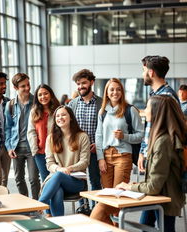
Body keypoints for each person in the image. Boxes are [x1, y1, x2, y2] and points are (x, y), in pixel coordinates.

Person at [116, 95, 186, 232]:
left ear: (156, 112)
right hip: (162, 193)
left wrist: (129, 186)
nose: (145, 110)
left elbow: (153, 186)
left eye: (147, 107)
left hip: (165, 195)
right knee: (149, 226)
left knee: (167, 231)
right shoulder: (163, 137)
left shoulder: (163, 141)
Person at [39, 106, 90, 216]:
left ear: (70, 117)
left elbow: (85, 161)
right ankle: (59, 223)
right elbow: (49, 163)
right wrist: (59, 169)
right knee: (57, 191)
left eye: (63, 115)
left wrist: (69, 169)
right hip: (56, 180)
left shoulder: (82, 136)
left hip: (76, 181)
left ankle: (40, 204)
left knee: (58, 176)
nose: (60, 118)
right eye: (57, 116)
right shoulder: (51, 138)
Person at [96, 78, 144, 190]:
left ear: (122, 92)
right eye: (111, 89)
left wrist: (124, 136)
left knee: (118, 194)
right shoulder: (102, 112)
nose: (115, 92)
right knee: (107, 195)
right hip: (106, 156)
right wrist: (100, 158)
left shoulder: (130, 110)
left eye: (118, 89)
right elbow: (98, 136)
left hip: (123, 156)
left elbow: (141, 135)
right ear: (107, 93)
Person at [137, 56, 180, 173]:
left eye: (144, 70)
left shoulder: (166, 97)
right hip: (152, 153)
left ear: (151, 73)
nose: (142, 74)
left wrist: (147, 153)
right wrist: (142, 152)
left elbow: (167, 131)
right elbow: (149, 128)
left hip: (161, 156)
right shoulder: (156, 95)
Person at [68, 69, 102, 208]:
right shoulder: (73, 104)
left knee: (95, 181)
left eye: (84, 83)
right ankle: (83, 207)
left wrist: (98, 145)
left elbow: (105, 129)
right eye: (78, 84)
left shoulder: (101, 103)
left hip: (94, 150)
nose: (80, 86)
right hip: (78, 151)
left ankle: (96, 209)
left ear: (91, 82)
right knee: (80, 181)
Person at [4, 73, 40, 199]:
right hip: (16, 148)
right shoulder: (10, 105)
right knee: (19, 179)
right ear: (15, 88)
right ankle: (25, 204)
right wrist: (9, 147)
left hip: (32, 148)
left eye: (28, 85)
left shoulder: (36, 102)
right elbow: (7, 128)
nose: (27, 88)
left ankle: (37, 204)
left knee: (34, 178)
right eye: (23, 86)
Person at [27, 84, 60, 182]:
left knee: (57, 178)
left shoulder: (58, 110)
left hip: (57, 150)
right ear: (37, 98)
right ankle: (48, 197)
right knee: (45, 179)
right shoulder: (34, 112)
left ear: (51, 94)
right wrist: (34, 149)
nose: (43, 97)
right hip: (40, 152)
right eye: (40, 95)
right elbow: (31, 131)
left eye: (45, 93)